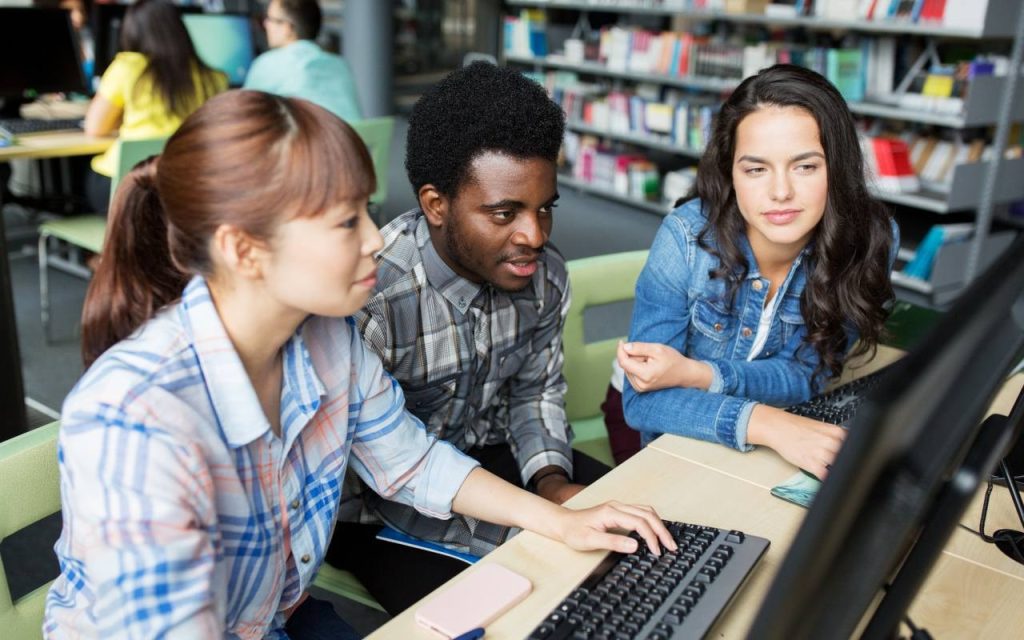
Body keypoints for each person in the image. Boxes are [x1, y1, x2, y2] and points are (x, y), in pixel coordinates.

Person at [42, 89, 675, 639]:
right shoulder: (135, 419)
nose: (377, 238)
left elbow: (411, 461)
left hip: (275, 615)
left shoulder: (325, 338)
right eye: (349, 221)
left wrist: (561, 522)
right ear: (244, 249)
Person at [326, 62, 609, 613]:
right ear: (436, 205)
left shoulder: (543, 274)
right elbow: (392, 469)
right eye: (505, 213)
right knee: (532, 608)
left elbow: (534, 395)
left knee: (642, 532)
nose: (535, 236)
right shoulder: (373, 300)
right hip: (374, 509)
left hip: (487, 453)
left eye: (545, 208)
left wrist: (552, 484)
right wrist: (529, 533)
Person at [617, 64, 899, 482]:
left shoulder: (870, 240)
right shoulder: (684, 238)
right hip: (667, 433)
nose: (780, 191)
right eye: (756, 169)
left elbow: (808, 373)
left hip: (765, 433)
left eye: (805, 166)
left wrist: (700, 374)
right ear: (730, 172)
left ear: (836, 168)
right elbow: (643, 404)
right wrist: (768, 424)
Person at [83, 0, 226, 212]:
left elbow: (94, 128)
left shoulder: (128, 67)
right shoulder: (214, 78)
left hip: (129, 187)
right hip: (185, 187)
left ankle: (111, 241)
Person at [244, 0, 362, 122]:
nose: (265, 24)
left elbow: (244, 114)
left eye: (270, 19)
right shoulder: (340, 65)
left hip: (312, 139)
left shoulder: (268, 64)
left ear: (288, 28)